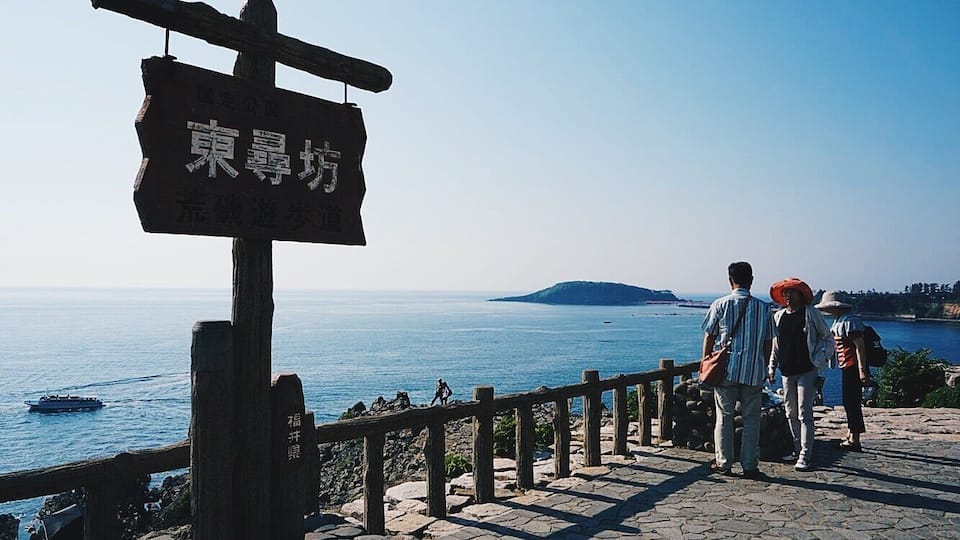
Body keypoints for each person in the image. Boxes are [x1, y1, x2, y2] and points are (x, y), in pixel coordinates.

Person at [702, 262, 775, 479]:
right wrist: (763, 364)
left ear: (730, 280)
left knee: (724, 418)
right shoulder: (764, 308)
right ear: (751, 280)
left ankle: (723, 463)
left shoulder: (720, 304)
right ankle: (750, 465)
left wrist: (706, 361)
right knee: (752, 419)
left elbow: (710, 336)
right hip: (753, 372)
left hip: (726, 371)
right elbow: (769, 342)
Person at [766, 277, 834, 471]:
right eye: (785, 292)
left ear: (800, 294)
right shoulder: (779, 316)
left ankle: (806, 453)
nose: (787, 295)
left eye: (791, 292)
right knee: (790, 413)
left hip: (807, 371)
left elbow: (828, 338)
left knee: (805, 413)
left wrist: (820, 359)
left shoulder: (811, 314)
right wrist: (772, 367)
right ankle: (797, 449)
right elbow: (775, 346)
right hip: (787, 372)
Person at [815, 290, 872, 451]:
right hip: (847, 365)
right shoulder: (841, 320)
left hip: (853, 366)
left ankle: (855, 439)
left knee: (852, 402)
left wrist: (862, 370)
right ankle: (851, 434)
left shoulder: (850, 321)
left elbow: (859, 347)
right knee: (849, 401)